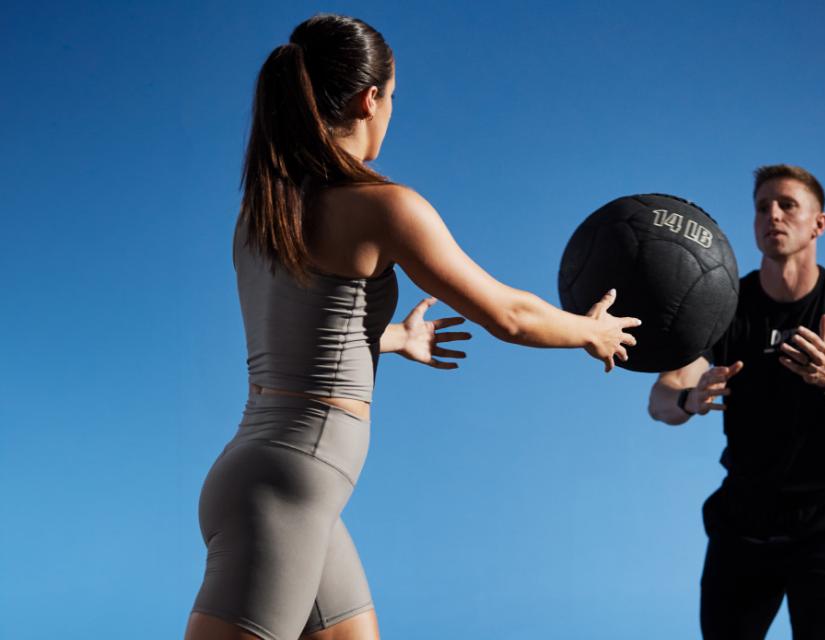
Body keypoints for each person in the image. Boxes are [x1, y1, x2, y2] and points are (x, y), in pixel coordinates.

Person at [185, 14, 640, 640]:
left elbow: (299, 336)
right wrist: (589, 331)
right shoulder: (384, 207)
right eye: (393, 97)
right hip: (287, 491)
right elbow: (508, 313)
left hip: (271, 477)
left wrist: (394, 337)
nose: (392, 111)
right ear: (369, 99)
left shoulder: (265, 209)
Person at [647, 165, 825, 640]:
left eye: (786, 205)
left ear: (818, 223)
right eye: (762, 207)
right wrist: (691, 397)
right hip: (744, 520)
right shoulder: (722, 307)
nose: (772, 216)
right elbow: (659, 400)